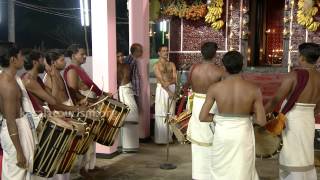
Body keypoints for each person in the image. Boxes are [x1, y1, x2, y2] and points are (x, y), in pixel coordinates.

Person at [199, 51, 266, 180]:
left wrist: (219, 118)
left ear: (224, 67)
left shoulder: (215, 88)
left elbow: (202, 117)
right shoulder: (254, 89)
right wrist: (248, 119)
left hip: (222, 134)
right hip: (243, 134)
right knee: (242, 170)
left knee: (221, 170)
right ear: (242, 66)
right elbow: (262, 121)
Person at [265, 43, 320, 180]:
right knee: (305, 154)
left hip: (292, 120)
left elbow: (275, 100)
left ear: (302, 58)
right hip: (308, 119)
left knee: (291, 157)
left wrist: (262, 116)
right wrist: (308, 114)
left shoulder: (295, 75)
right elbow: (318, 107)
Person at [63, 44, 104, 175]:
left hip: (88, 105)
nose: (85, 55)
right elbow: (74, 92)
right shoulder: (72, 70)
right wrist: (89, 101)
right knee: (84, 138)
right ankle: (81, 169)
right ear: (73, 55)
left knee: (91, 137)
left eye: (84, 53)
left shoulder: (79, 69)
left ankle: (89, 166)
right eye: (82, 54)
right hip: (82, 108)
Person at [186, 42, 223, 180]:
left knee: (198, 142)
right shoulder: (219, 71)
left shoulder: (193, 69)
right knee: (213, 141)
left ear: (201, 53)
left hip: (197, 105)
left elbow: (189, 86)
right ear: (215, 54)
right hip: (212, 105)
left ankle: (198, 176)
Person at [0, 44, 35, 180]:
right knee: (16, 173)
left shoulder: (13, 79)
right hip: (14, 131)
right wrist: (19, 151)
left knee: (21, 173)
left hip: (19, 126)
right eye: (21, 56)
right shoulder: (7, 83)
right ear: (12, 59)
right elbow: (10, 120)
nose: (23, 59)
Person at [153, 45, 177, 144]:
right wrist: (169, 91)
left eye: (167, 51)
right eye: (163, 51)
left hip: (171, 88)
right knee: (161, 112)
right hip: (162, 90)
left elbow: (175, 78)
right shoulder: (156, 65)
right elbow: (161, 80)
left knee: (171, 113)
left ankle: (169, 138)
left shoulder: (172, 64)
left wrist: (170, 85)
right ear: (159, 53)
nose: (165, 52)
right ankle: (161, 139)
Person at [117, 51, 139, 152]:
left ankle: (131, 145)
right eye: (118, 56)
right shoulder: (114, 67)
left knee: (132, 114)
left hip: (128, 90)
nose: (121, 58)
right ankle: (125, 145)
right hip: (122, 91)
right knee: (125, 117)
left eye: (122, 56)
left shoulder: (127, 65)